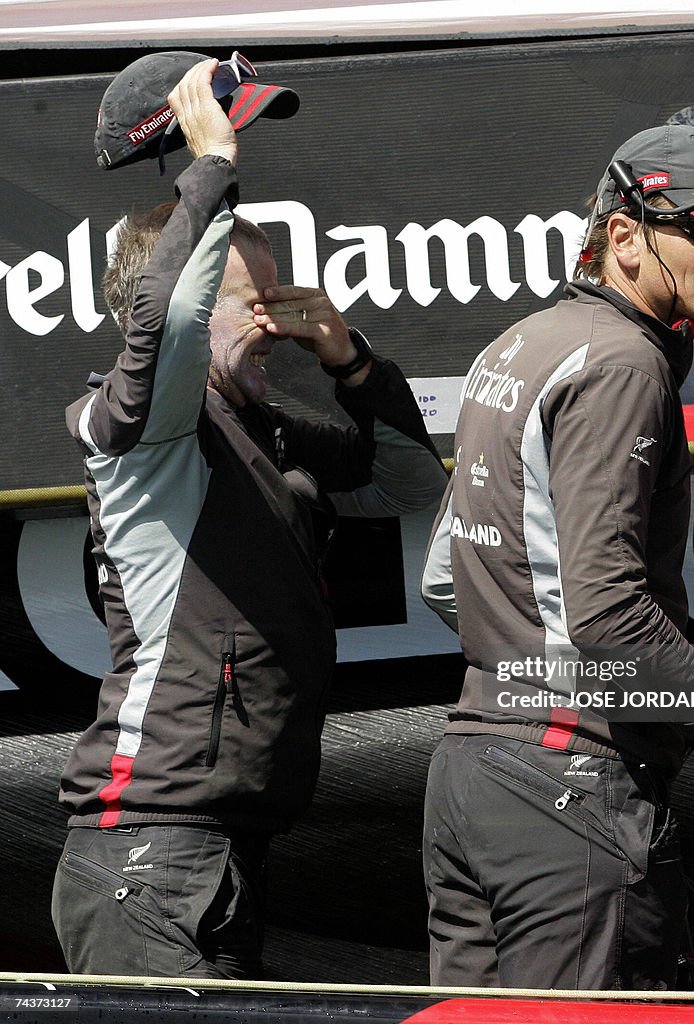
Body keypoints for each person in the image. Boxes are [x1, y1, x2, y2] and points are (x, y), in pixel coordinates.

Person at [51, 58, 446, 979]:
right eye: (250, 303)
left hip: (215, 842)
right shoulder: (137, 431)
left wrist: (350, 359)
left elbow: (406, 484)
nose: (273, 322)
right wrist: (213, 161)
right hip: (145, 845)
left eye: (278, 298)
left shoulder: (267, 429)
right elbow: (169, 323)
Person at [420, 123, 694, 990]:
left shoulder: (520, 344)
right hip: (568, 786)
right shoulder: (622, 364)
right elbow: (606, 619)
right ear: (622, 235)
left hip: (472, 772)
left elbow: (446, 580)